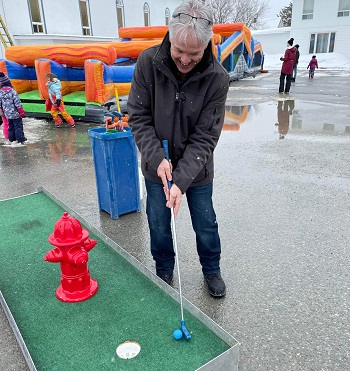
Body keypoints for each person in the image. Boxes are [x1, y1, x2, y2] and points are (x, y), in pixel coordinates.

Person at [127, 0, 229, 297]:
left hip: (196, 171)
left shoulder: (217, 78)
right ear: (170, 38)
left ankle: (211, 268)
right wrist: (156, 158)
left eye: (194, 54)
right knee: (158, 222)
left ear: (206, 46)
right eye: (179, 50)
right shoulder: (148, 62)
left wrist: (181, 182)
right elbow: (139, 116)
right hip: (155, 167)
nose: (185, 60)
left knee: (205, 223)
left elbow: (205, 137)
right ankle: (163, 268)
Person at [0, 72, 26, 145]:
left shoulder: (0, 92)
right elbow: (17, 102)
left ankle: (11, 139)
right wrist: (21, 111)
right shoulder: (12, 91)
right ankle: (20, 139)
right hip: (15, 113)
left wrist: (2, 112)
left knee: (10, 126)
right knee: (18, 126)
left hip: (7, 113)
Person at [0, 72, 14, 141]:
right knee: (9, 122)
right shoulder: (10, 89)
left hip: (2, 109)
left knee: (5, 122)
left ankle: (7, 136)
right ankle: (10, 136)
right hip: (9, 108)